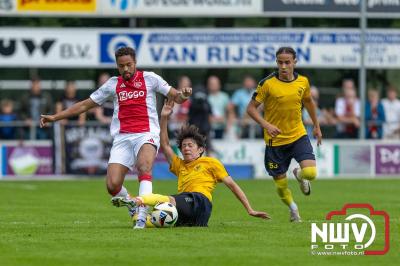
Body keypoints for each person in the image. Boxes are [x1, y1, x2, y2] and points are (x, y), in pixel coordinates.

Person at [40, 46, 192, 229]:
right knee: (112, 186)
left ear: (135, 63)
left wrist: (183, 95)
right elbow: (84, 105)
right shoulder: (112, 84)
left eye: (129, 65)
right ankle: (131, 204)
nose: (126, 69)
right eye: (122, 66)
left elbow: (175, 95)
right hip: (122, 138)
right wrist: (55, 117)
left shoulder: (150, 78)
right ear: (117, 66)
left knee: (144, 166)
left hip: (146, 133)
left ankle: (142, 217)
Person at [111, 98, 270, 227]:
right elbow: (165, 144)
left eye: (190, 145)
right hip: (186, 211)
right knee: (145, 222)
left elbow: (232, 185)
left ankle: (136, 201)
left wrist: (250, 209)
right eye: (183, 146)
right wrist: (164, 117)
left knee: (170, 200)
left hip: (200, 201)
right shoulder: (179, 165)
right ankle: (135, 212)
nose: (186, 149)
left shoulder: (211, 163)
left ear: (200, 149)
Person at [246, 47, 322, 222]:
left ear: (294, 62)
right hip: (275, 142)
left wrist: (317, 126)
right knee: (281, 185)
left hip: (298, 135)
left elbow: (309, 102)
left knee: (310, 173)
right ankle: (293, 209)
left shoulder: (303, 82)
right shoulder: (267, 83)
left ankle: (300, 175)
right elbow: (250, 109)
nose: (283, 66)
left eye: (287, 62)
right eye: (280, 62)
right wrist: (266, 125)